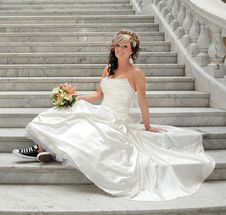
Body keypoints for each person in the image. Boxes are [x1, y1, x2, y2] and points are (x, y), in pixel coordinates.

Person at [12, 29, 215, 201]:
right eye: (118, 45)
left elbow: (143, 101)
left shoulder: (137, 73)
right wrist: (75, 98)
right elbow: (99, 94)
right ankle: (42, 148)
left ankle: (43, 150)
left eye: (125, 46)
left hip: (117, 119)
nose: (120, 49)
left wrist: (147, 126)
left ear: (132, 50)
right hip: (103, 111)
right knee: (65, 112)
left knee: (88, 131)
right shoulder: (108, 69)